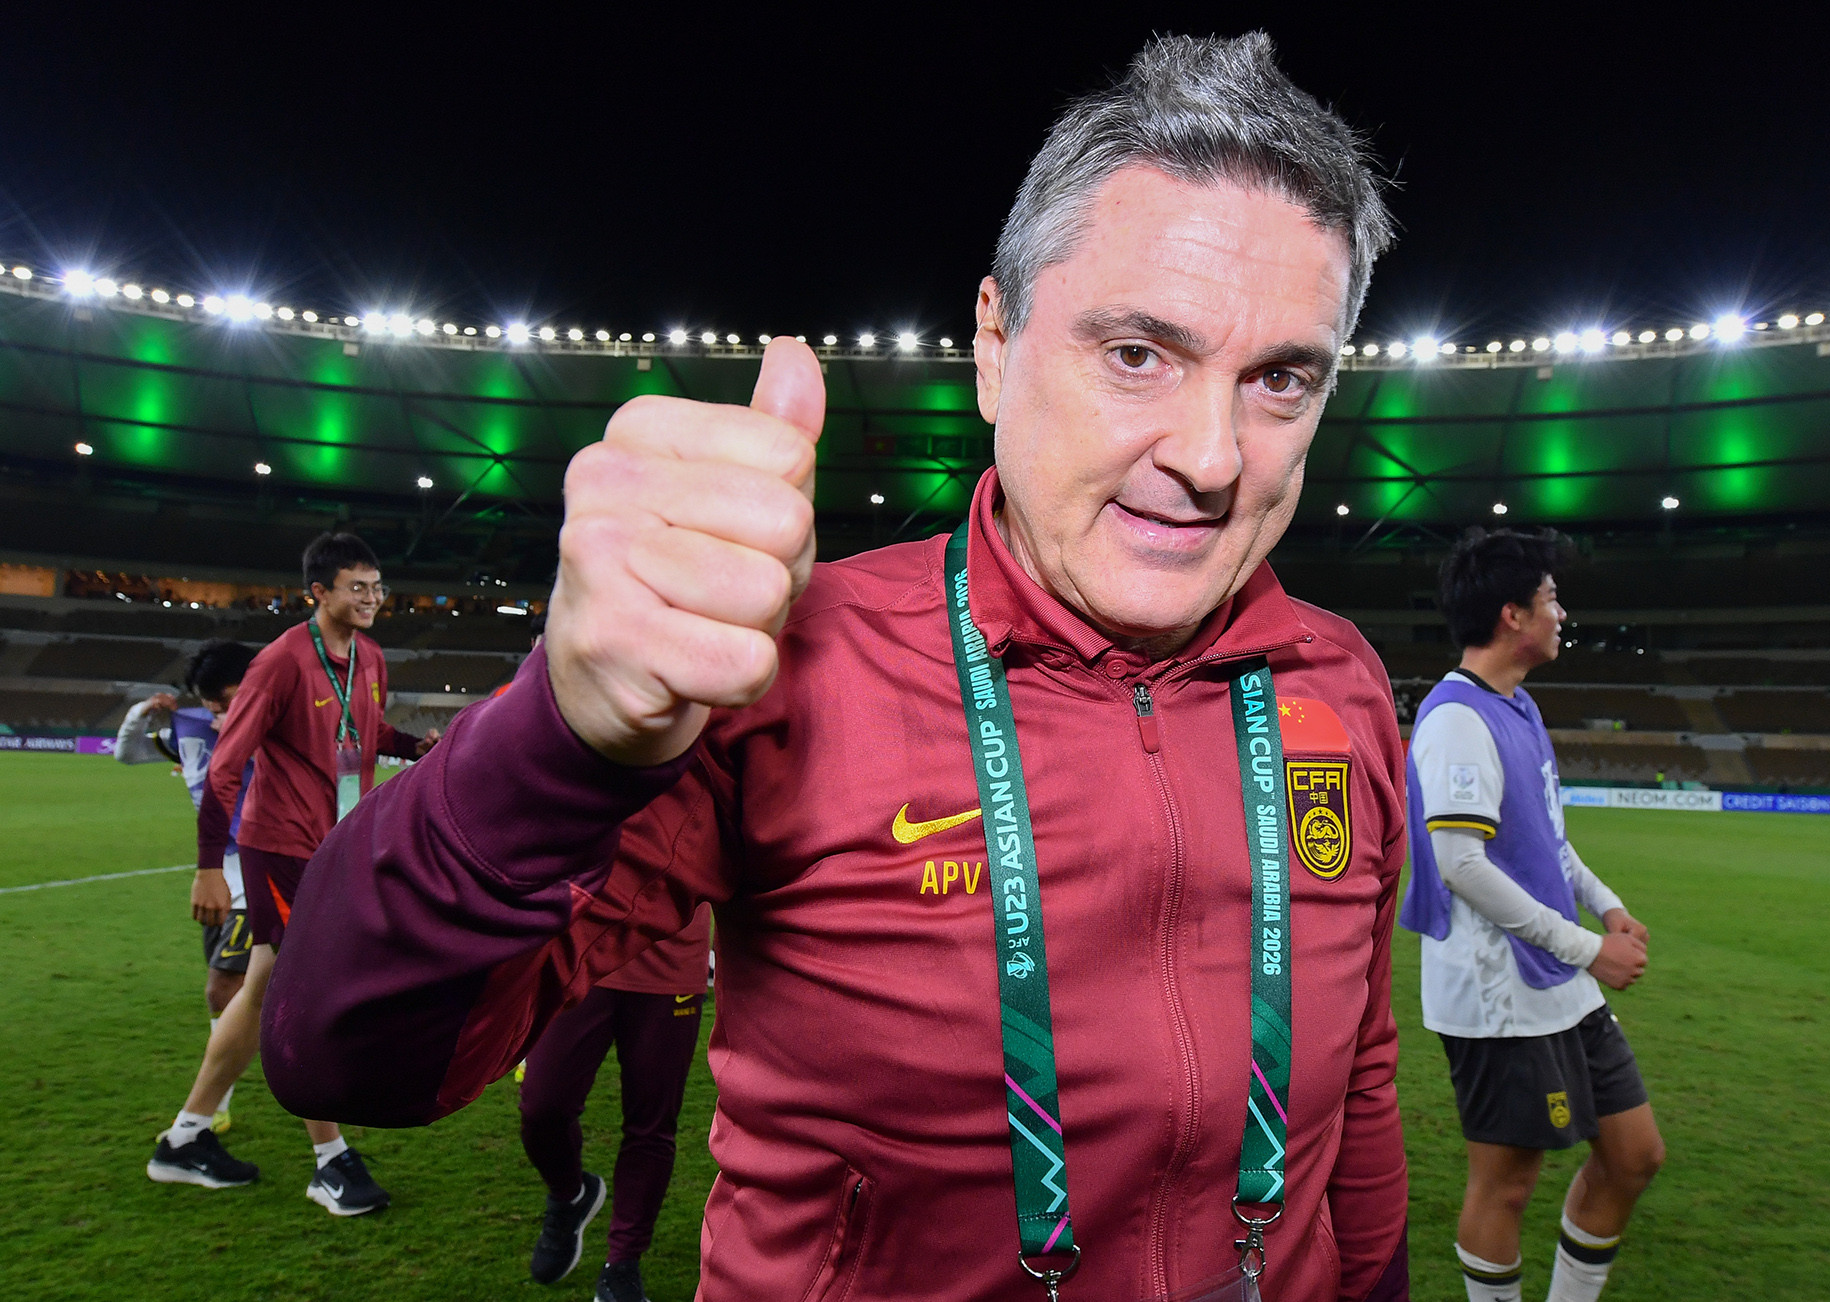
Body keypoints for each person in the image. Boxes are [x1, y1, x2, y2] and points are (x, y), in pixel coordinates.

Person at [268, 34, 1411, 1300]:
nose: (1211, 455)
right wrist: (560, 739)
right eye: (1138, 354)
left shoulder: (1340, 687)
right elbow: (350, 1058)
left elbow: (1355, 1089)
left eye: (1279, 379)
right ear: (995, 342)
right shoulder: (786, 666)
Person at [1400, 527, 1666, 1302]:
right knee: (1507, 1184)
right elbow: (1462, 864)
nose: (1562, 614)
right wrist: (1588, 948)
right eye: (1551, 599)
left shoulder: (1517, 705)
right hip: (1498, 996)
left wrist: (1608, 906)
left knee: (1634, 1154)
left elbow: (1547, 839)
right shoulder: (1456, 718)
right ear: (1512, 615)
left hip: (1558, 980)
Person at [145, 531, 438, 1215]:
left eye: (377, 587)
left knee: (263, 991)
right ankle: (329, 1159)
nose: (370, 598)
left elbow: (363, 734)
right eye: (356, 587)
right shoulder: (279, 663)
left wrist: (411, 747)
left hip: (336, 846)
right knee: (301, 993)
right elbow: (226, 768)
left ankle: (186, 1137)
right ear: (319, 592)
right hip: (278, 848)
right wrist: (207, 869)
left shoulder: (369, 656)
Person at [520, 900, 711, 1301]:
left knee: (651, 1124)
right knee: (543, 1106)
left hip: (671, 966)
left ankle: (622, 1264)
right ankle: (569, 1195)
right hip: (581, 953)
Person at [116, 640, 259, 1133]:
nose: (217, 707)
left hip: (259, 878)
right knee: (231, 995)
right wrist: (141, 714)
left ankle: (211, 1107)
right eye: (210, 699)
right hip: (217, 879)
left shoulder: (274, 727)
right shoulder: (194, 728)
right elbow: (128, 754)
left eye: (226, 697)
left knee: (224, 989)